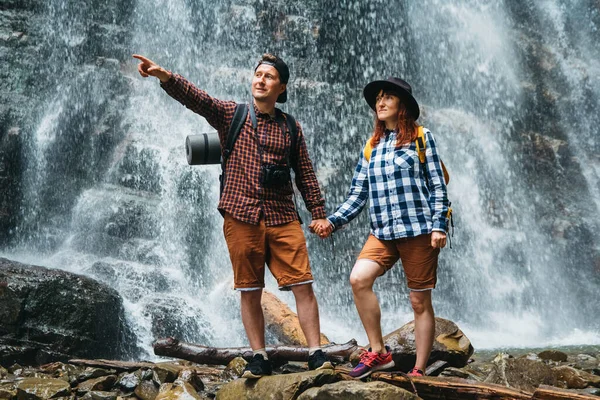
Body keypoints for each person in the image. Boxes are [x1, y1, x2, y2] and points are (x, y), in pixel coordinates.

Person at [133, 53, 333, 378]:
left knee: (303, 285)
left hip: (283, 216)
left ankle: (316, 353)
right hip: (241, 215)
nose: (261, 80)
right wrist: (165, 76)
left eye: (269, 77)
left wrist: (319, 214)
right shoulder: (232, 114)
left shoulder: (291, 127)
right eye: (258, 75)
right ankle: (259, 356)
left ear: (281, 87)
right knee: (250, 289)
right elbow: (197, 99)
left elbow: (306, 174)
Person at [312, 77, 449, 378]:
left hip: (419, 230)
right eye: (378, 99)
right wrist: (331, 222)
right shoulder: (372, 146)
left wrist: (440, 226)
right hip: (383, 232)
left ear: (402, 105)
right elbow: (357, 195)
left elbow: (437, 187)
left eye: (388, 97)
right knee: (359, 279)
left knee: (419, 300)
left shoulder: (422, 138)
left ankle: (420, 369)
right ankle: (378, 352)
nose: (381, 103)